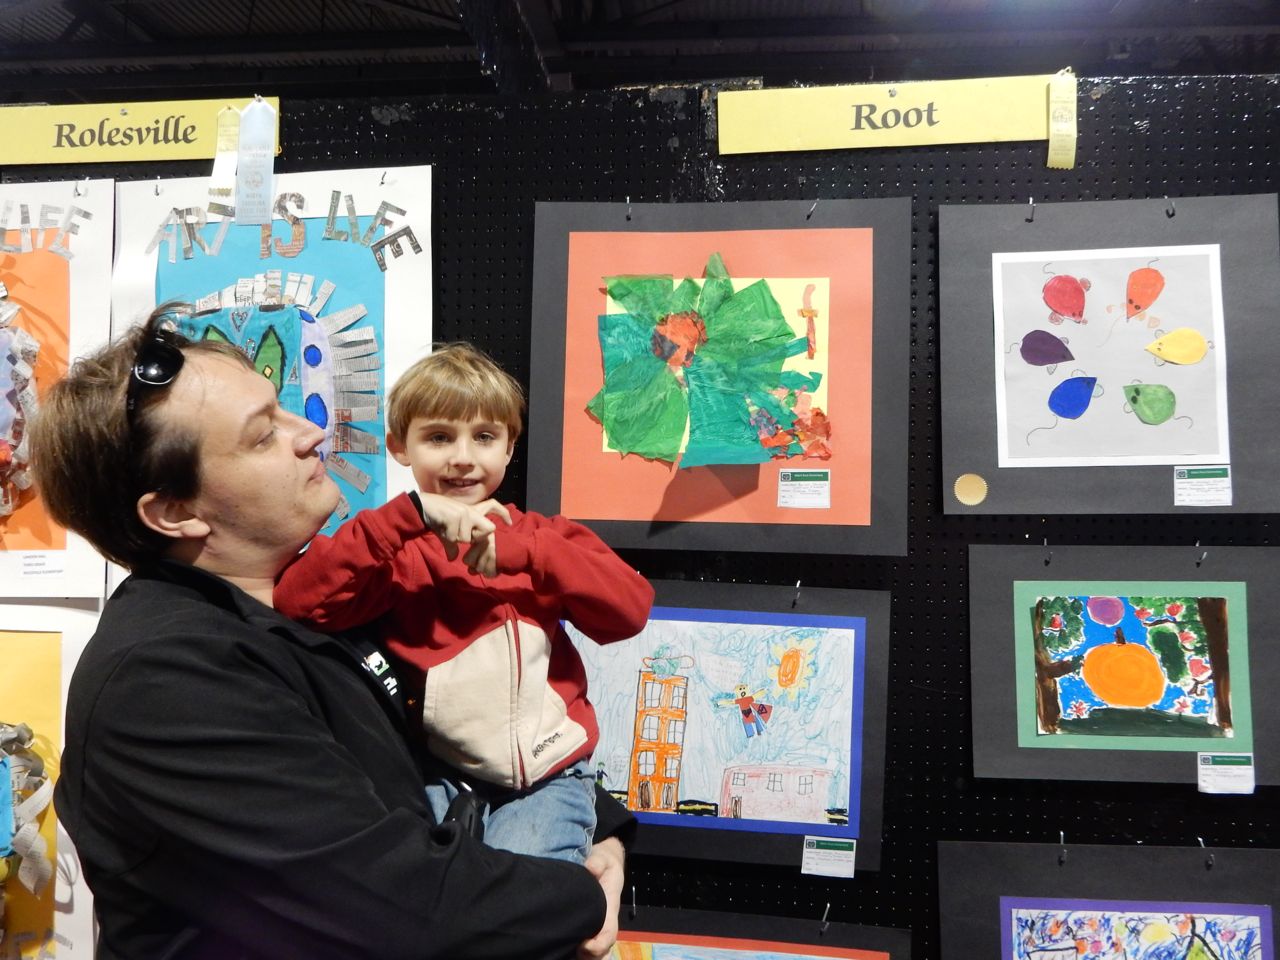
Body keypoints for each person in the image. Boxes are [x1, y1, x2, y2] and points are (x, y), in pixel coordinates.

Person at [29, 305, 628, 960]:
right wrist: (580, 894)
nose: (311, 432)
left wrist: (598, 831)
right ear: (176, 512)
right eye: (263, 435)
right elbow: (402, 910)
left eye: (283, 409)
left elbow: (461, 728)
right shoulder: (166, 678)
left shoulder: (307, 605)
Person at [274, 342, 654, 863]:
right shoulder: (398, 552)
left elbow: (629, 610)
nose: (462, 457)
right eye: (438, 437)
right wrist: (404, 517)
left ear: (509, 447)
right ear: (399, 446)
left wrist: (529, 551)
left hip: (549, 777)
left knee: (519, 891)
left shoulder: (547, 538)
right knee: (422, 888)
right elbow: (299, 603)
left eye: (484, 437)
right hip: (441, 774)